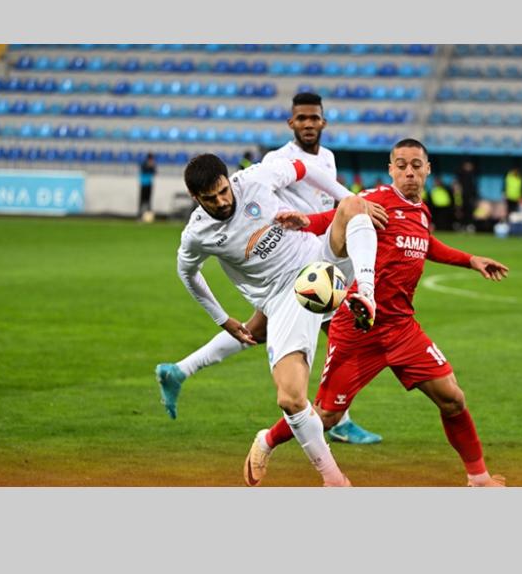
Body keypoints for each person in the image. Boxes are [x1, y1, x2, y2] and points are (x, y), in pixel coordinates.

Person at [244, 139, 509, 487]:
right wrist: (305, 221)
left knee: (453, 399)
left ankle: (479, 479)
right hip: (358, 327)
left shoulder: (422, 211)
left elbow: (426, 244)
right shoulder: (376, 199)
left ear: (428, 169)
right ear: (391, 170)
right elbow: (337, 215)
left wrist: (470, 260)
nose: (409, 172)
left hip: (402, 328)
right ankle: (267, 440)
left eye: (416, 165)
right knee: (327, 415)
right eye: (402, 165)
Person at [154, 93, 382, 444]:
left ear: (323, 121)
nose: (308, 124)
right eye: (301, 118)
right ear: (291, 123)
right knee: (337, 334)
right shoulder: (275, 160)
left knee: (257, 332)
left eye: (314, 118)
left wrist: (345, 202)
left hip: (306, 254)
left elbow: (315, 183)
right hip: (287, 262)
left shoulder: (327, 158)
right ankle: (337, 417)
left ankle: (180, 370)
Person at [457, 160, 478, 227]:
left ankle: (469, 224)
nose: (469, 167)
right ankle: (462, 224)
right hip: (462, 196)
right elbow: (458, 186)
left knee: (469, 210)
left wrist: (474, 195)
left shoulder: (472, 175)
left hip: (470, 196)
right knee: (461, 210)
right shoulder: (461, 175)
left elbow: (473, 187)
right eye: (468, 166)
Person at [139, 153, 157, 220]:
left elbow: (154, 172)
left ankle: (148, 217)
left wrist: (152, 166)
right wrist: (149, 166)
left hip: (149, 184)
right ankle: (140, 215)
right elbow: (143, 169)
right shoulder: (144, 164)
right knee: (142, 201)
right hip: (143, 184)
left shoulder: (152, 164)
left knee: (148, 201)